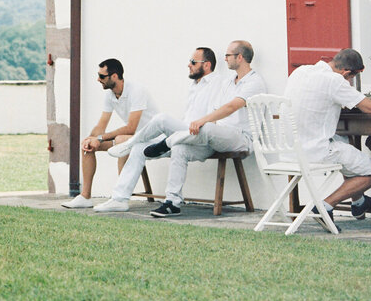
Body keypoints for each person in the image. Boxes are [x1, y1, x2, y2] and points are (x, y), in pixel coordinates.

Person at [113, 40, 266, 219]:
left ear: (240, 57)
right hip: (212, 136)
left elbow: (231, 107)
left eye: (227, 55)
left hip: (240, 138)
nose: (224, 59)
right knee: (180, 147)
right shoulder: (228, 83)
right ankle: (172, 203)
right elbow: (217, 109)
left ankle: (168, 141)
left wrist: (201, 121)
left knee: (206, 128)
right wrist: (201, 124)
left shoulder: (254, 82)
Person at [95, 47, 221, 212]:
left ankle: (130, 142)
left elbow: (218, 116)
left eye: (193, 62)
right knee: (140, 149)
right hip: (184, 138)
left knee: (161, 119)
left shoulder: (218, 83)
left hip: (203, 137)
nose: (188, 65)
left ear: (207, 65)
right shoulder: (194, 86)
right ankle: (120, 199)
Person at [286, 48, 371, 221]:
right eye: (351, 79)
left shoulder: (300, 71)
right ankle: (326, 205)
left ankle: (359, 203)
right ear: (346, 73)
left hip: (291, 151)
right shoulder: (335, 80)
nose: (350, 82)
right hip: (317, 152)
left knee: (346, 149)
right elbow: (369, 108)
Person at [61, 58, 159, 209]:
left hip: (153, 138)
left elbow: (131, 128)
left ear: (114, 76)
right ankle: (85, 197)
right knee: (87, 145)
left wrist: (100, 138)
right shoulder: (110, 94)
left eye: (102, 76)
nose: (98, 79)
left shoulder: (137, 91)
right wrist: (92, 139)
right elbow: (102, 125)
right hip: (133, 138)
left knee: (121, 140)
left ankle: (120, 199)